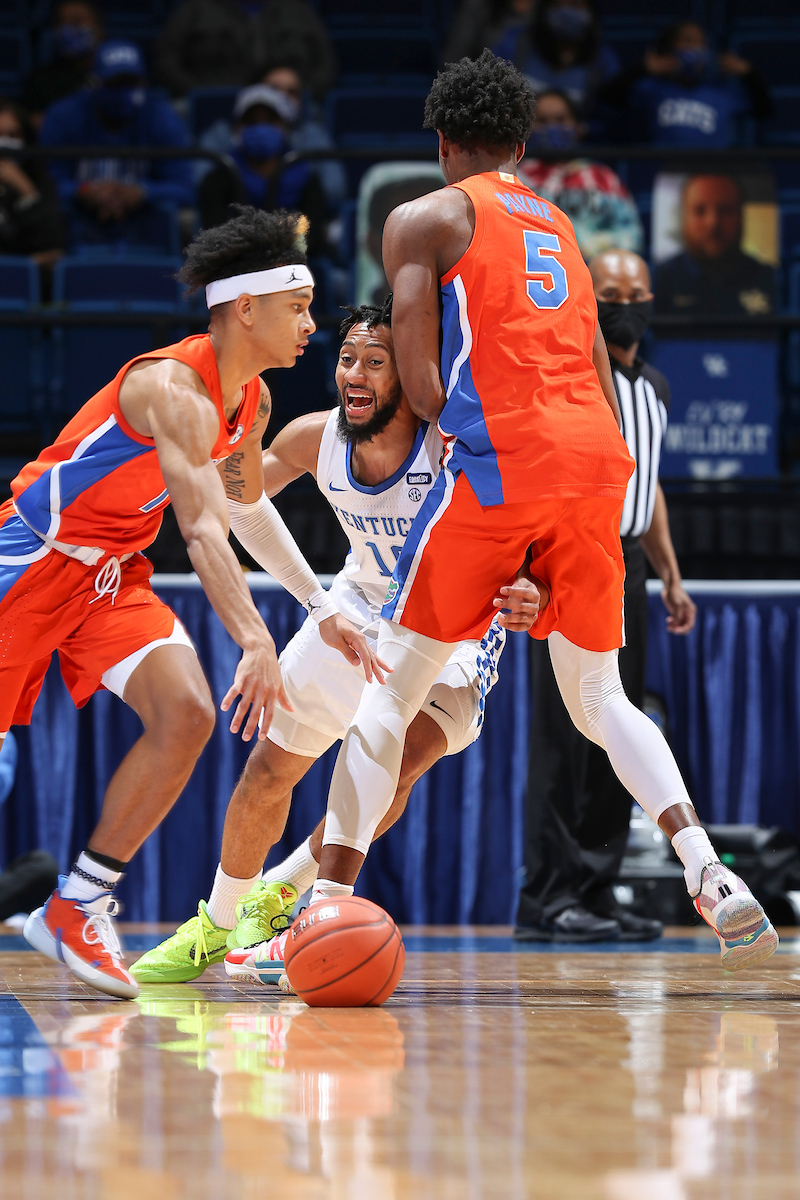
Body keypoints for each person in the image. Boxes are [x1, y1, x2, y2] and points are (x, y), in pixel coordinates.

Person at [298, 50, 778, 975]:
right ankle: (707, 867)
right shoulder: (562, 226)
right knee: (602, 699)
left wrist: (464, 449)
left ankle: (325, 905)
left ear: (441, 141)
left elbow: (423, 372)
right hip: (598, 463)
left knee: (395, 689)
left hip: (500, 459)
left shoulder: (424, 217)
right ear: (521, 146)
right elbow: (599, 370)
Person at [1, 206, 382, 1000]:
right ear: (247, 308)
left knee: (187, 714)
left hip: (108, 577)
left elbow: (243, 510)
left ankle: (78, 902)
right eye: (299, 306)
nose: (312, 322)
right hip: (29, 564)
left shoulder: (254, 403)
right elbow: (203, 529)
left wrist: (315, 606)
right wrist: (252, 639)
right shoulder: (173, 388)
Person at [131, 296, 541, 985]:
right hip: (354, 607)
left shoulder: (453, 442)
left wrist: (536, 589)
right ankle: (219, 921)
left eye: (376, 362)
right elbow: (241, 499)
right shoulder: (313, 436)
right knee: (269, 769)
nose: (354, 372)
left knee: (399, 759)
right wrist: (314, 599)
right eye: (347, 358)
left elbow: (531, 534)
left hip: (452, 629)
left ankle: (283, 891)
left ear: (412, 374)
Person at [515, 248, 697, 943]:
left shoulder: (655, 388)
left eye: (638, 291)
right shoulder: (571, 378)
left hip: (627, 567)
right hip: (567, 556)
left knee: (617, 733)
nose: (627, 301)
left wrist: (671, 573)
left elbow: (645, 487)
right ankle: (546, 898)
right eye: (612, 290)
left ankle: (597, 888)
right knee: (564, 738)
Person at [39, 39, 193, 248]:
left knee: (185, 218)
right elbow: (46, 183)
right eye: (114, 84)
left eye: (131, 83)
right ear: (94, 84)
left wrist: (141, 192)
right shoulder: (64, 116)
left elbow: (184, 187)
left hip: (144, 219)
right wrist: (84, 190)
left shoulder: (161, 116)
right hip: (79, 219)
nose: (123, 92)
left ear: (144, 84)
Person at [198, 84, 328, 256]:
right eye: (252, 121)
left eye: (270, 120)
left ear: (286, 126)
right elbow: (214, 238)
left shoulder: (306, 180)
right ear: (238, 128)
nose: (261, 128)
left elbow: (313, 240)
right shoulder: (220, 177)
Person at [518, 89, 643, 260]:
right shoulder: (516, 176)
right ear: (528, 128)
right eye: (543, 121)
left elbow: (632, 235)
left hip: (593, 272)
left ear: (578, 127)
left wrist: (589, 246)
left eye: (561, 120)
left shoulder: (603, 178)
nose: (552, 128)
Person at [605, 21, 772, 149]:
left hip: (712, 174)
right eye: (687, 41)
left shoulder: (722, 92)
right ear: (670, 47)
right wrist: (642, 69)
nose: (694, 49)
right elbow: (608, 97)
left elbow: (765, 110)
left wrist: (749, 73)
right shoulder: (652, 88)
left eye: (700, 43)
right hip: (664, 172)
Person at [199, 65, 347, 208]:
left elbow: (335, 190)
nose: (282, 96)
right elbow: (199, 184)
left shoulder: (306, 175)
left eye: (292, 92)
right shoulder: (222, 155)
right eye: (274, 89)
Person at [155, 0, 337, 101]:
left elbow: (326, 64)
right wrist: (198, 94)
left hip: (289, 106)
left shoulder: (298, 10)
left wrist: (301, 94)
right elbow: (166, 60)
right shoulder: (196, 9)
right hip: (210, 105)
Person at [655, 174, 775, 317]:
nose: (713, 223)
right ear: (684, 217)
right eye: (700, 210)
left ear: (741, 216)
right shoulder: (657, 282)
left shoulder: (771, 281)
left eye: (725, 210)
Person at [492, 0, 619, 120]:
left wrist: (587, 130)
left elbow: (611, 115)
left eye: (575, 5)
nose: (566, 12)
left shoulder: (603, 59)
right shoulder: (514, 44)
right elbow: (492, 98)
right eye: (557, 4)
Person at [0, 100, 64, 265]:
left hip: (27, 287)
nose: (5, 143)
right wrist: (28, 264)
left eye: (13, 135)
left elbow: (52, 251)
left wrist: (27, 191)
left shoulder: (41, 184)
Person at [21, 1, 104, 126]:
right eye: (62, 23)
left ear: (99, 29)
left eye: (77, 21)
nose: (68, 29)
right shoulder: (40, 79)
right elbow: (33, 123)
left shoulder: (112, 78)